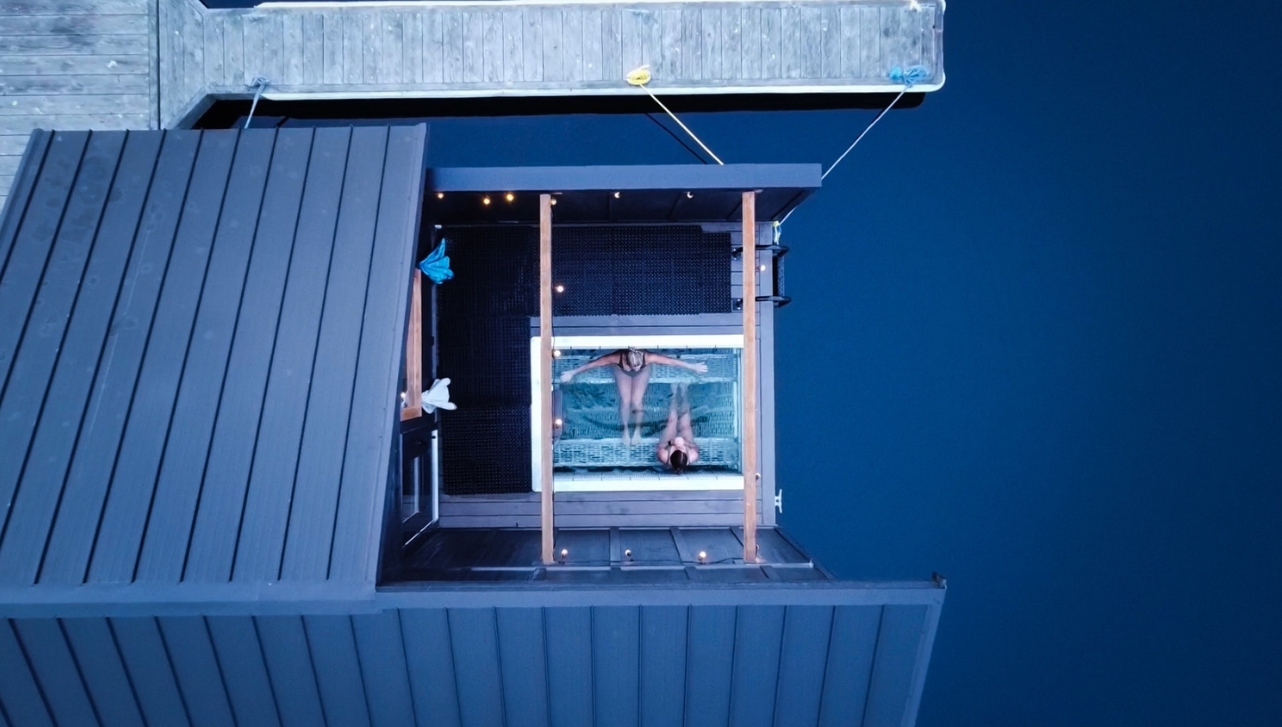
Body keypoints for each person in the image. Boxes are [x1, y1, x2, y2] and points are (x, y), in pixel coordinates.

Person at [559, 348, 708, 445]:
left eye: (637, 366)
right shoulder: (616, 357)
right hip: (620, 369)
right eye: (632, 365)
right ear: (627, 359)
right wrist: (573, 372)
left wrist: (693, 367)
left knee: (636, 401)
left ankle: (636, 431)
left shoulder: (648, 358)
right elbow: (594, 364)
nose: (634, 368)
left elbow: (670, 361)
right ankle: (625, 430)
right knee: (625, 400)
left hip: (644, 370)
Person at [657, 383, 700, 472]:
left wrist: (671, 442)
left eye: (676, 450)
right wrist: (685, 444)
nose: (679, 448)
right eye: (681, 450)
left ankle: (674, 393)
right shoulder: (692, 456)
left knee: (672, 421)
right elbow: (694, 447)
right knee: (686, 421)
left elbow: (660, 447)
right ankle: (684, 393)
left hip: (667, 443)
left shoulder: (664, 457)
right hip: (686, 442)